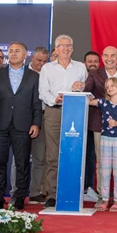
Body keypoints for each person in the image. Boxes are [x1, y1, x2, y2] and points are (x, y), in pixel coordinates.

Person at [0, 42, 42, 209]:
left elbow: (36, 102)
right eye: (10, 51)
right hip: (0, 123)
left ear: (25, 55)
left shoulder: (34, 76)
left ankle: (19, 197)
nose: (13, 53)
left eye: (17, 51)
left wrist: (36, 123)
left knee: (22, 163)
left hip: (23, 124)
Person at [84, 46, 117, 208]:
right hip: (100, 127)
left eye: (112, 55)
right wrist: (79, 88)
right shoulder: (94, 74)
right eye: (106, 55)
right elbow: (86, 92)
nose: (109, 58)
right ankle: (103, 196)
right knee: (102, 163)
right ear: (102, 57)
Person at [38, 35, 87, 209]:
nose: (66, 49)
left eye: (69, 46)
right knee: (53, 155)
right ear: (56, 49)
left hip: (75, 112)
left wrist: (81, 87)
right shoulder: (47, 68)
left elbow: (86, 88)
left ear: (72, 49)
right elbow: (43, 92)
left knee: (73, 152)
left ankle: (72, 190)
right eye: (62, 46)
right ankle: (52, 194)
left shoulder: (80, 67)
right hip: (54, 112)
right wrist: (55, 99)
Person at [89, 77, 117, 212]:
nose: (109, 88)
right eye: (107, 87)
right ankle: (104, 200)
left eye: (112, 85)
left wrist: (116, 124)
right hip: (105, 139)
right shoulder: (103, 102)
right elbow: (88, 101)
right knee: (105, 170)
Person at [26, 46, 49, 204]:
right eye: (39, 60)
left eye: (44, 61)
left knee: (39, 157)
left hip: (42, 116)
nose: (41, 63)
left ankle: (35, 192)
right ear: (31, 58)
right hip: (22, 117)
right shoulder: (22, 73)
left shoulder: (48, 73)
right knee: (19, 158)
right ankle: (17, 193)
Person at [82, 50, 101, 202]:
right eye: (90, 61)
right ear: (85, 63)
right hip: (78, 122)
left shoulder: (101, 78)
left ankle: (88, 188)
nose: (93, 64)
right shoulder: (79, 77)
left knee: (91, 157)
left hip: (94, 123)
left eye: (95, 61)